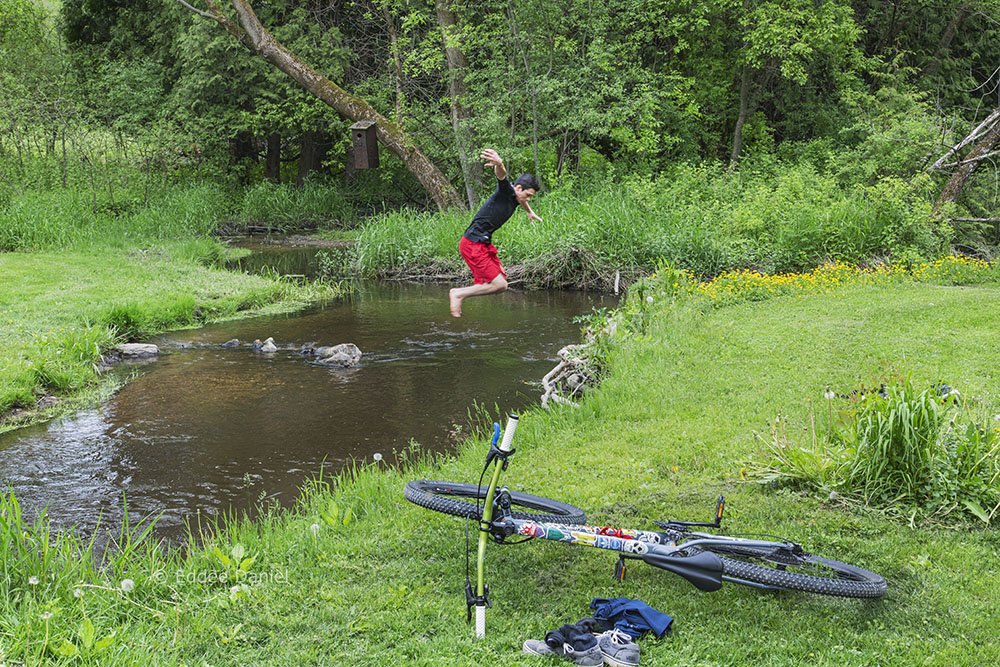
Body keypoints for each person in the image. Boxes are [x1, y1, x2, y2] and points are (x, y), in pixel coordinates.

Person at [449, 149, 542, 317]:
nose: (528, 199)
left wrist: (528, 210)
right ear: (518, 188)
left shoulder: (516, 197)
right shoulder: (505, 191)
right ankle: (458, 293)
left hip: (482, 243)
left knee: (501, 284)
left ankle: (459, 294)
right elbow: (502, 176)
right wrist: (499, 164)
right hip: (473, 243)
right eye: (528, 196)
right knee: (500, 285)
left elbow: (520, 199)